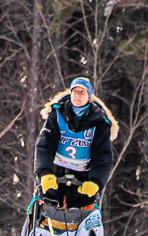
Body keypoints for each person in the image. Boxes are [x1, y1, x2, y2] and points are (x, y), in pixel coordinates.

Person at [34, 77, 118, 209]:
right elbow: (45, 146)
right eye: (75, 91)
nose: (77, 95)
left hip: (83, 178)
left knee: (83, 216)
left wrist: (95, 182)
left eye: (82, 92)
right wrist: (45, 173)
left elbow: (102, 156)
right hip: (55, 173)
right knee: (46, 212)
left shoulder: (99, 122)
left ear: (89, 96)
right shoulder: (57, 114)